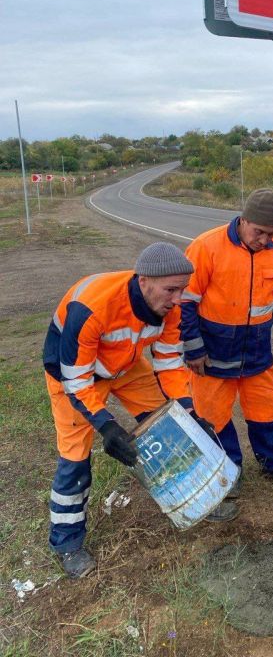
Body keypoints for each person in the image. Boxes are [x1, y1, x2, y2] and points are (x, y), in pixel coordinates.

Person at [43, 242, 237, 579]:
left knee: (171, 429)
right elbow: (76, 381)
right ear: (143, 281)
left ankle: (196, 501)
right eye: (171, 290)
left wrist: (188, 413)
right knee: (75, 460)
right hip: (75, 377)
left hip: (126, 368)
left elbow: (170, 363)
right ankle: (67, 543)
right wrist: (107, 427)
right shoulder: (91, 307)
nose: (178, 299)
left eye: (183, 290)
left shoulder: (170, 307)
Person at [181, 188, 273, 492]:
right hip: (212, 355)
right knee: (212, 415)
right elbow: (185, 302)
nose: (264, 240)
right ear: (243, 220)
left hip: (257, 354)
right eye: (259, 232)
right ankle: (227, 469)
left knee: (269, 409)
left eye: (271, 233)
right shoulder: (206, 246)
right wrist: (193, 348)